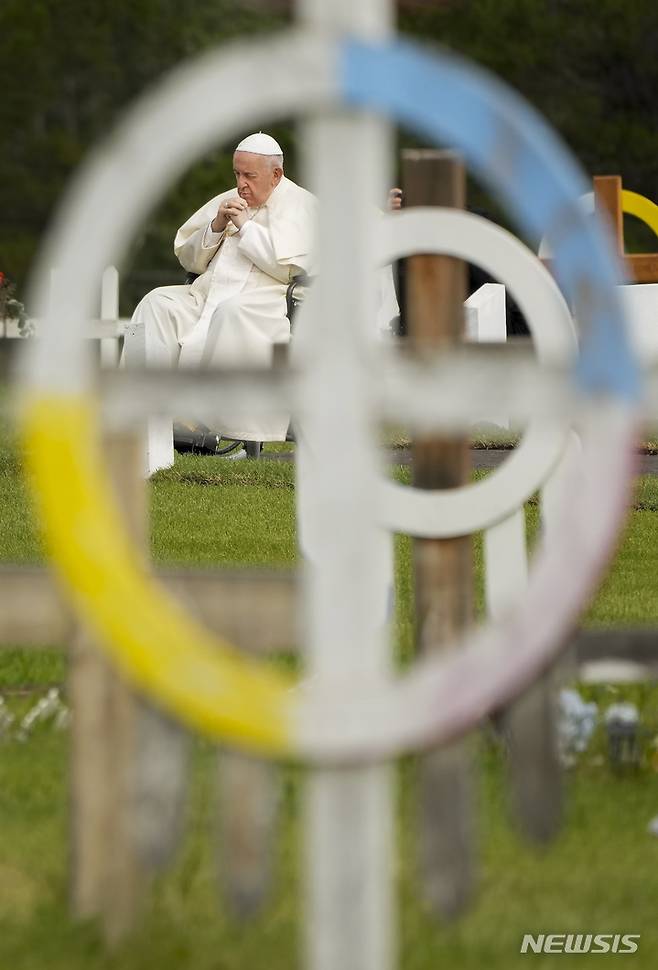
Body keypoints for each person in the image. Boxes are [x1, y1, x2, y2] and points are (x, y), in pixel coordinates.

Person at [124, 132, 318, 473]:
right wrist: (215, 226)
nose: (241, 184)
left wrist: (245, 229)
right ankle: (142, 428)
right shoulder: (228, 200)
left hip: (266, 305)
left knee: (232, 312)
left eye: (250, 176)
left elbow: (290, 269)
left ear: (276, 174)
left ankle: (213, 422)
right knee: (156, 303)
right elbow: (190, 260)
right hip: (206, 297)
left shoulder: (303, 206)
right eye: (237, 174)